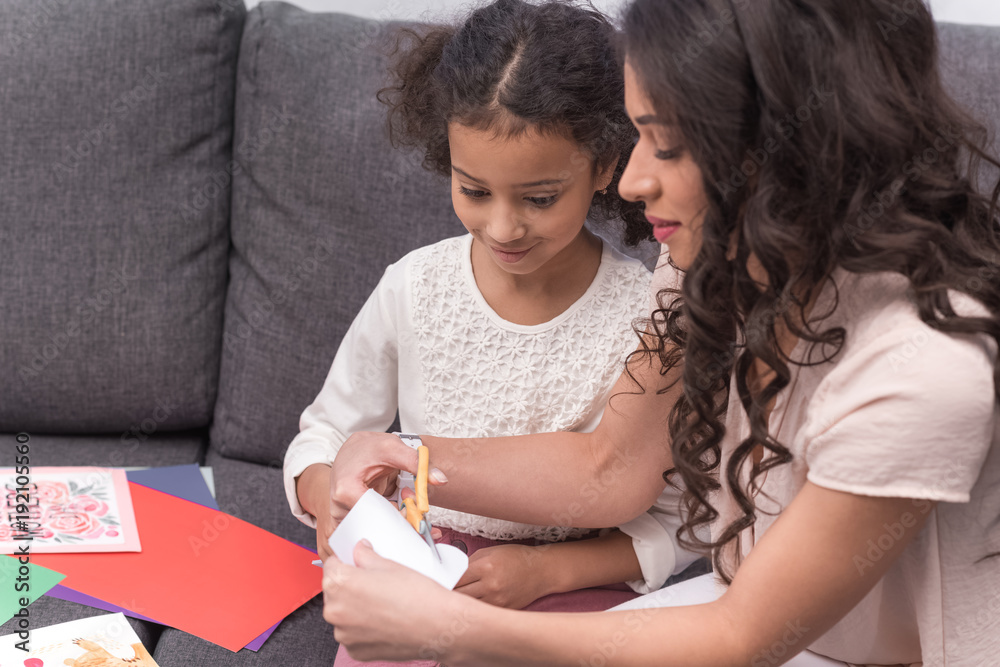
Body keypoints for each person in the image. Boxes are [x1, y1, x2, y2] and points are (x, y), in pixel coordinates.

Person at [319, 0, 1000, 665]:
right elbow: (612, 468)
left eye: (667, 144)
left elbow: (741, 637)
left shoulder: (924, 369)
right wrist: (402, 455)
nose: (632, 180)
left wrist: (452, 629)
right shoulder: (711, 259)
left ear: (790, 147)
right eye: (637, 133)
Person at [284, 1, 703, 665]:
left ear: (604, 167)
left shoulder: (648, 317)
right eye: (474, 190)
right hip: (421, 571)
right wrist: (327, 496)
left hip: (570, 590)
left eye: (539, 198)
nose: (503, 227)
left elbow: (680, 521)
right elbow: (325, 434)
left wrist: (547, 571)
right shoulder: (414, 287)